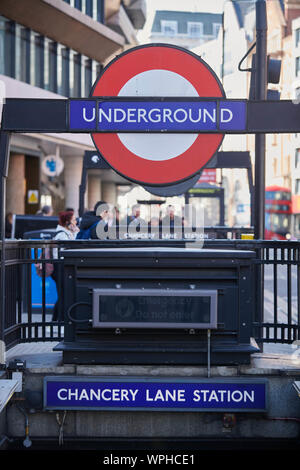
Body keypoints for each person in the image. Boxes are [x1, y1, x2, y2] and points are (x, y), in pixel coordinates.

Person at [51, 211, 79, 321]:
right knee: (63, 295)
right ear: (68, 222)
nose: (76, 222)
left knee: (63, 294)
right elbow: (69, 250)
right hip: (60, 266)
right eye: (74, 220)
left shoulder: (66, 233)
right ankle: (58, 320)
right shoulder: (62, 234)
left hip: (62, 266)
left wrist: (75, 233)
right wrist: (75, 234)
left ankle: (55, 320)